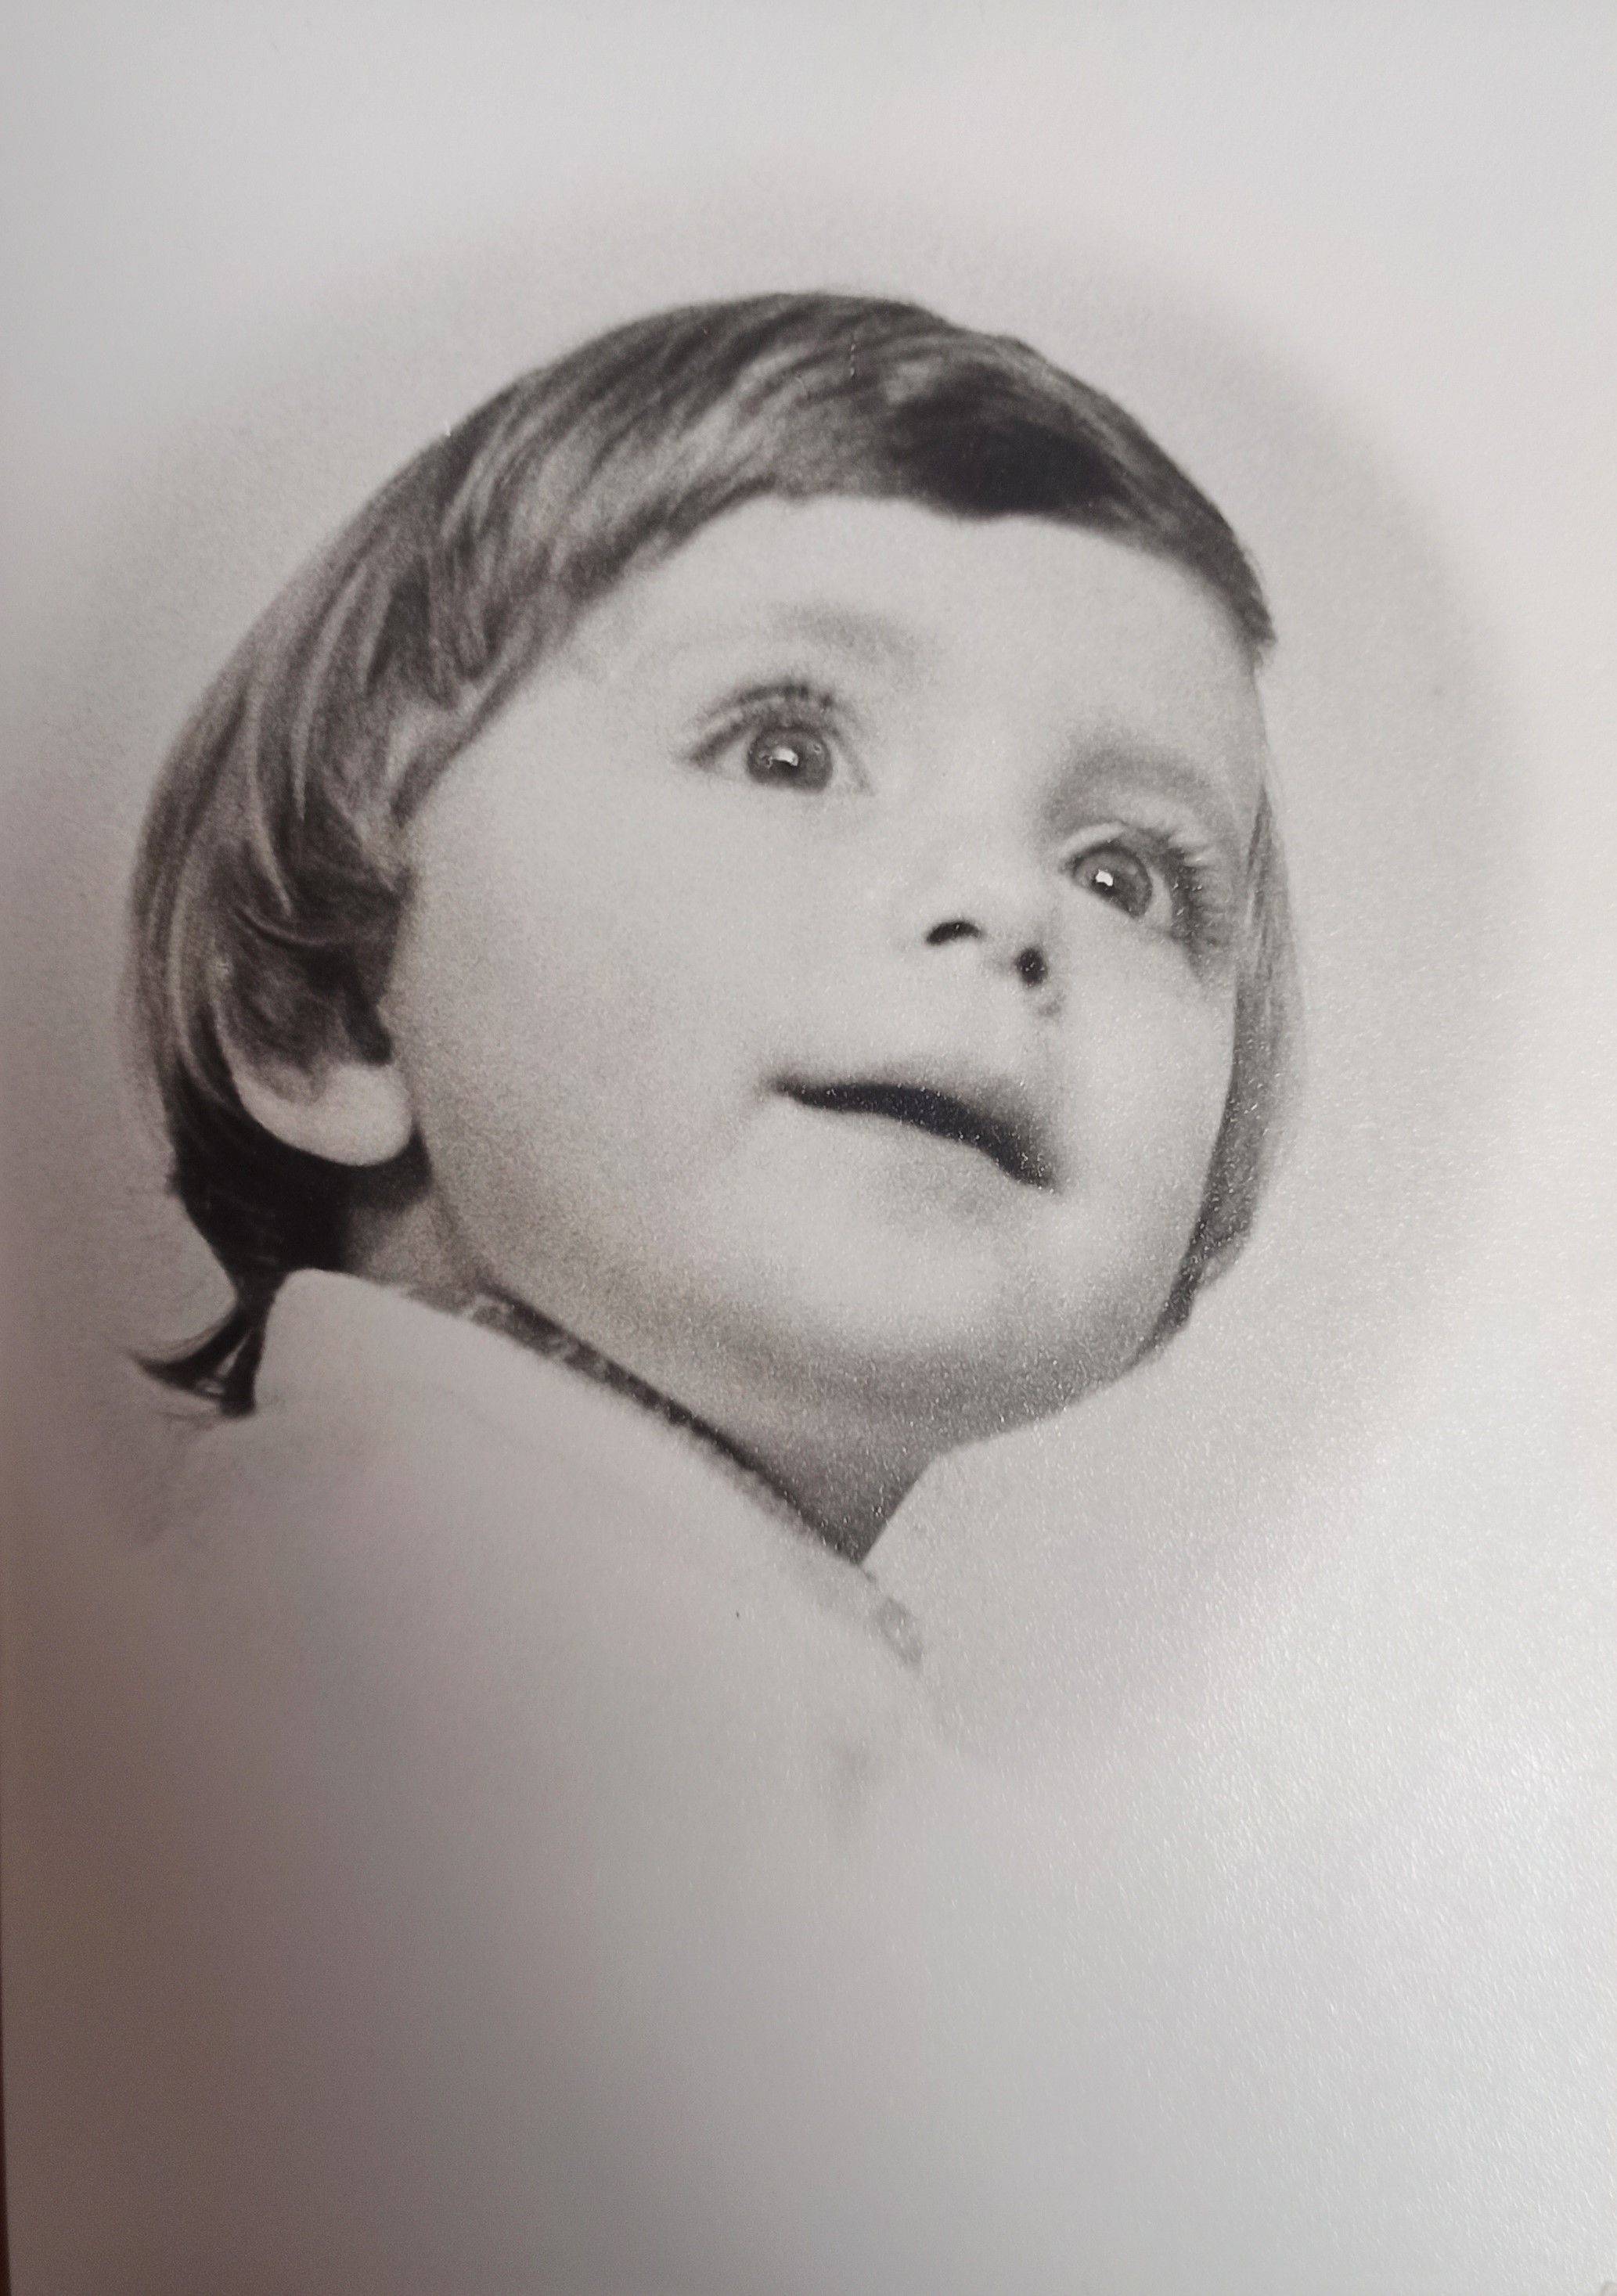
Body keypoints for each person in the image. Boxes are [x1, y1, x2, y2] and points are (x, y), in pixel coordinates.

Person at [109, 291, 1298, 2288]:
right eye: (787, 747)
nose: (1006, 907)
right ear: (332, 1007)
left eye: (1127, 876)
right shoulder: (359, 1681)